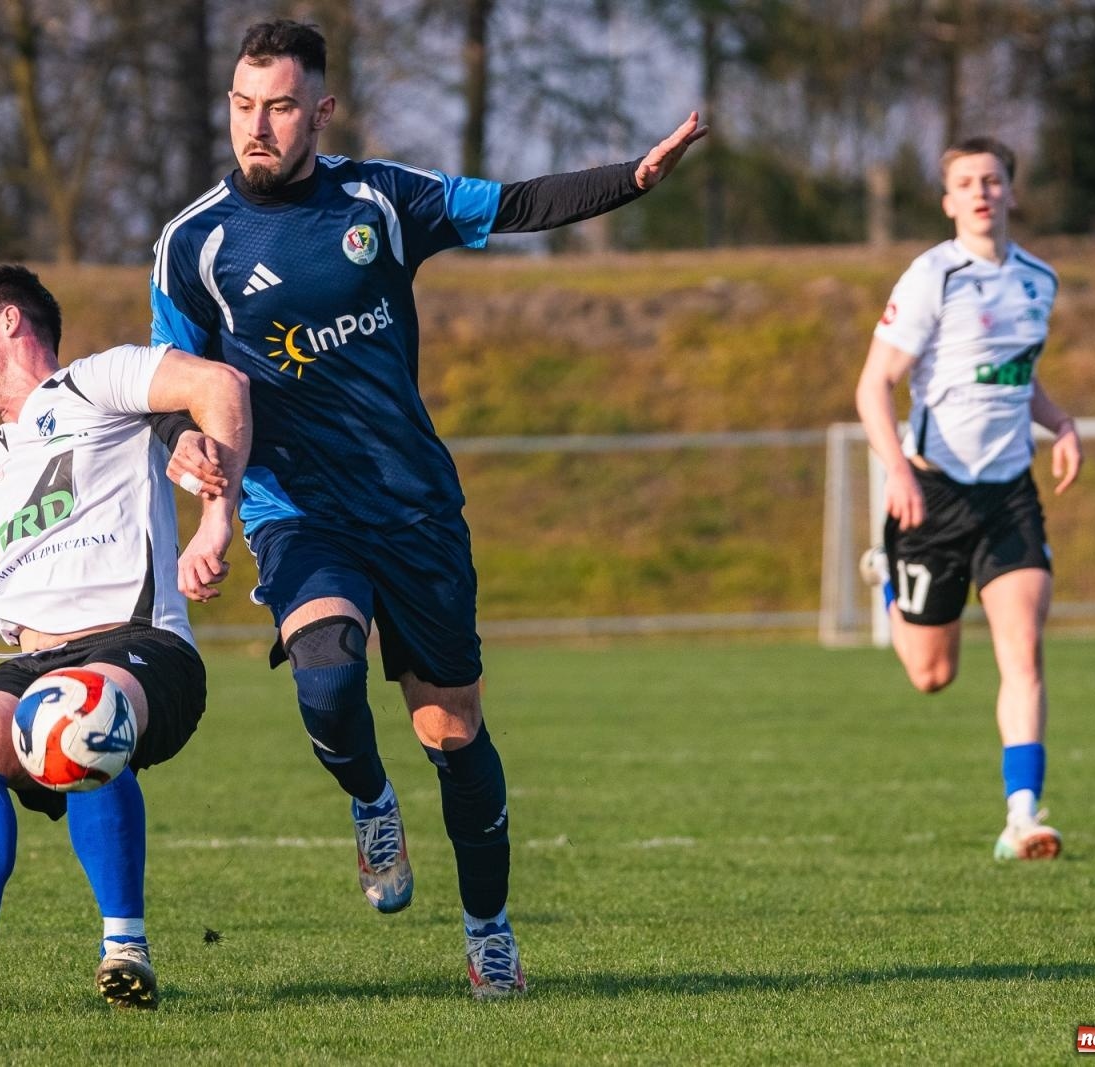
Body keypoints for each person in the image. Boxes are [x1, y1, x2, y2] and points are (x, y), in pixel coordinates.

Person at [148, 18, 706, 998]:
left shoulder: (383, 199)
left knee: (451, 732)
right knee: (326, 679)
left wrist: (633, 177)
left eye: (281, 107)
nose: (258, 127)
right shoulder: (193, 243)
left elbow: (515, 202)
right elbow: (171, 382)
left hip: (413, 508)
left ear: (322, 110)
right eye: (242, 105)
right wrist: (182, 440)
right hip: (296, 508)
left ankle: (488, 930)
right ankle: (371, 801)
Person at [0, 261, 250, 1012]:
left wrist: (214, 521)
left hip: (140, 646)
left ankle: (124, 947)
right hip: (37, 659)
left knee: (74, 707)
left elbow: (220, 386)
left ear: (10, 321)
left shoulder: (97, 383)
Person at [854, 137, 1081, 862]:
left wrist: (1060, 423)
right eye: (966, 182)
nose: (981, 191)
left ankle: (1022, 816)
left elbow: (1018, 374)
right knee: (933, 675)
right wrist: (896, 471)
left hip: (1009, 493)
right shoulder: (933, 277)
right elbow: (874, 384)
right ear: (948, 201)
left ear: (1012, 190)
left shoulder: (1039, 280)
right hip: (932, 494)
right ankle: (888, 574)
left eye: (992, 179)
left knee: (1023, 649)